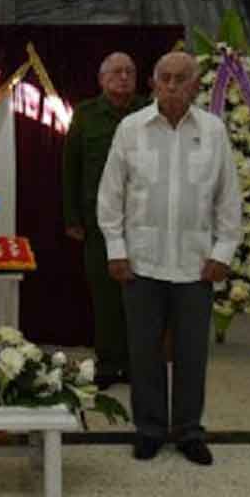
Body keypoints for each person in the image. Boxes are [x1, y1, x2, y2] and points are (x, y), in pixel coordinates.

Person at [97, 51, 241, 466]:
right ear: (153, 83)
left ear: (196, 85)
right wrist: (116, 250)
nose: (173, 85)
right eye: (165, 78)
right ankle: (149, 429)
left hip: (197, 265)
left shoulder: (213, 131)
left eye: (181, 79)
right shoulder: (130, 129)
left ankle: (189, 431)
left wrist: (223, 252)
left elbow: (228, 199)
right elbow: (110, 196)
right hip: (141, 263)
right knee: (143, 353)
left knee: (193, 354)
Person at [62, 52, 144, 389]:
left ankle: (138, 363)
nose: (123, 77)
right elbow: (71, 167)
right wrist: (72, 217)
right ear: (101, 79)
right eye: (116, 72)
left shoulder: (148, 112)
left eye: (129, 71)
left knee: (141, 295)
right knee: (105, 295)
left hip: (142, 220)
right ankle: (109, 363)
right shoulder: (85, 115)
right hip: (98, 222)